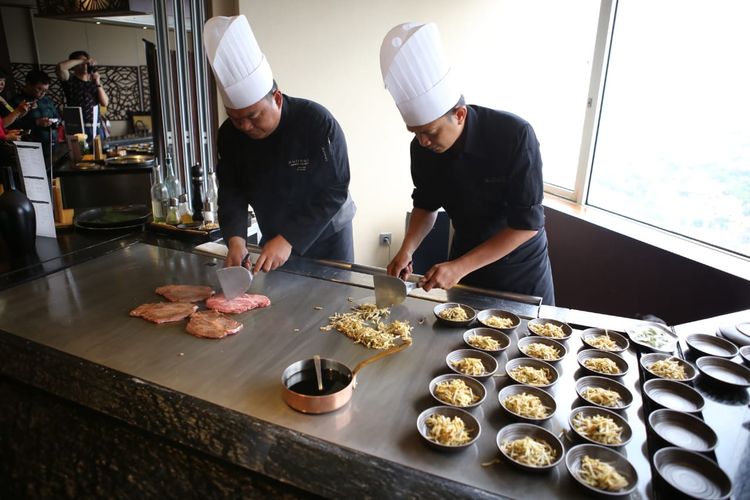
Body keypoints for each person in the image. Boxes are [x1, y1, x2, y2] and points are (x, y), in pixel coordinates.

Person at [379, 22, 555, 305]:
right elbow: (426, 205)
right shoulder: (422, 148)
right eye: (416, 132)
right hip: (464, 262)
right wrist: (406, 250)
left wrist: (461, 266)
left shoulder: (514, 135)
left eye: (431, 131)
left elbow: (526, 225)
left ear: (459, 114)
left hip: (519, 273)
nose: (423, 141)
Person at [203, 15, 356, 273]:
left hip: (327, 235)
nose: (245, 127)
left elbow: (334, 191)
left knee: (334, 306)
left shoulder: (316, 123)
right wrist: (236, 240)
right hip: (274, 235)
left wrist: (289, 239)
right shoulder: (230, 135)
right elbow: (232, 192)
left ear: (277, 98)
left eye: (253, 116)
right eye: (236, 118)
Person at [55, 51, 108, 147]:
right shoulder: (70, 80)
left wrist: (98, 82)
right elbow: (60, 67)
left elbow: (105, 103)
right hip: (78, 129)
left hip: (97, 127)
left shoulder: (93, 82)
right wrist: (82, 60)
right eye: (81, 64)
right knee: (83, 158)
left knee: (101, 157)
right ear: (74, 64)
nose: (85, 66)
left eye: (86, 64)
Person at [8, 70, 60, 167]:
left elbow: (57, 117)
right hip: (31, 148)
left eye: (45, 90)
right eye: (39, 89)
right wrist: (36, 122)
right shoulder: (17, 101)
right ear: (28, 84)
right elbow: (11, 125)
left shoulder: (47, 100)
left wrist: (55, 122)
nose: (42, 93)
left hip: (52, 146)